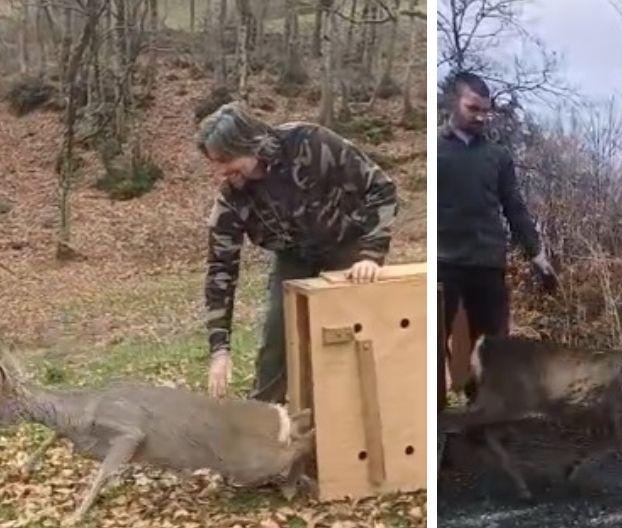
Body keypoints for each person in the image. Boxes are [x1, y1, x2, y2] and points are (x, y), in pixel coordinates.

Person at [198, 103, 398, 403]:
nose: (221, 172)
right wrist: (220, 350)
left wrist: (370, 254)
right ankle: (263, 424)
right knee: (277, 343)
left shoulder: (310, 143)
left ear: (250, 143)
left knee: (356, 338)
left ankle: (367, 414)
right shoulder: (231, 199)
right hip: (293, 258)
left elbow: (382, 189)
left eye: (227, 160)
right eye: (216, 163)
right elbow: (220, 271)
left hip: (349, 250)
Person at [437, 71, 556, 371]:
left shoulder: (497, 156)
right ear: (454, 103)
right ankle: (438, 414)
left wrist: (537, 255)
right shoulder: (435, 150)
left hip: (487, 263)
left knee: (495, 350)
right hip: (443, 264)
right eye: (472, 109)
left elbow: (515, 208)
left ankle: (487, 412)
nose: (480, 118)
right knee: (434, 345)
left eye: (485, 111)